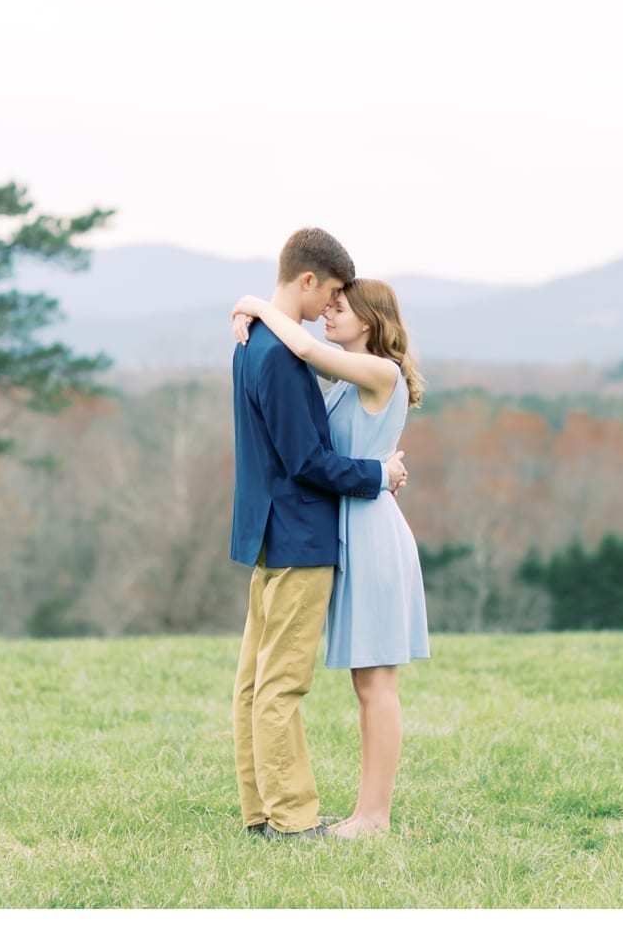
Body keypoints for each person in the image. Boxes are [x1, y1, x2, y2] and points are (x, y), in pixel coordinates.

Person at [232, 277, 430, 840]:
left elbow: (302, 348)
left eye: (341, 306)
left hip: (371, 534)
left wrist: (253, 305)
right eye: (329, 301)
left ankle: (374, 817)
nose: (328, 312)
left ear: (369, 319)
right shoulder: (345, 379)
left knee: (376, 685)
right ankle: (364, 814)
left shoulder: (379, 372)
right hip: (347, 528)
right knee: (362, 685)